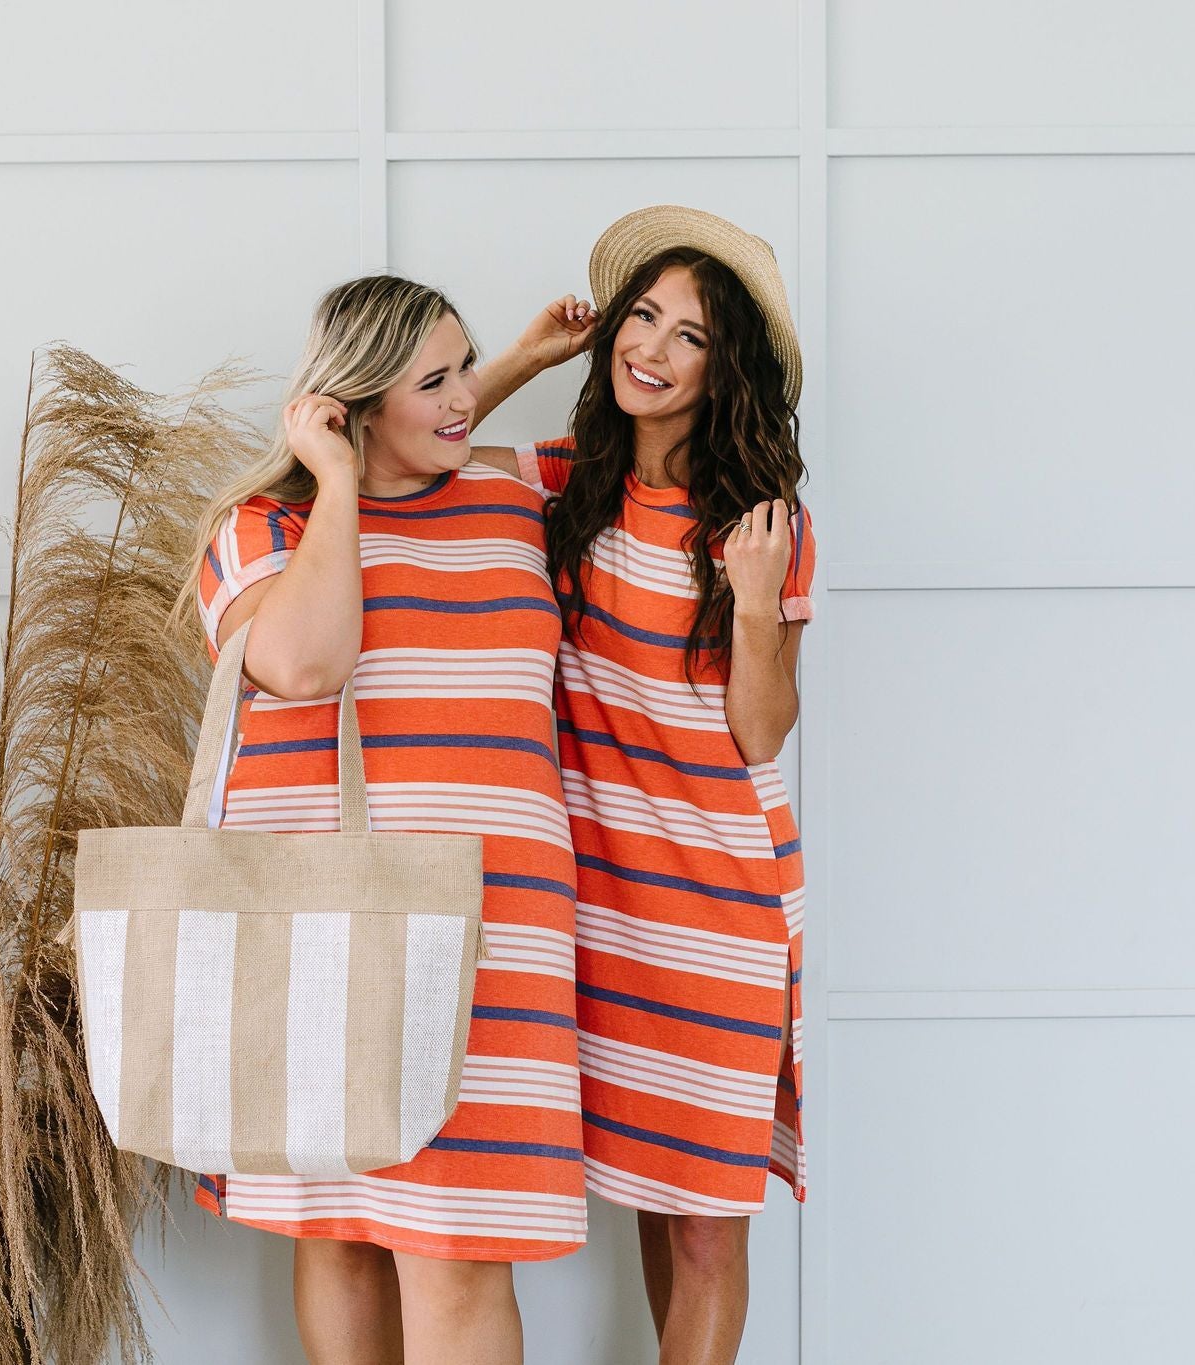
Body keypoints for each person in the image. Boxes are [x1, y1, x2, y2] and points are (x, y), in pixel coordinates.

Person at [175, 274, 586, 1365]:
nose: (463, 399)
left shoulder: (510, 495)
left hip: (492, 935)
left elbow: (652, 470)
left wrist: (527, 365)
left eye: (467, 368)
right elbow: (304, 663)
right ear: (350, 409)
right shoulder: (262, 531)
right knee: (341, 1234)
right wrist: (339, 480)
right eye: (434, 379)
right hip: (319, 928)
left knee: (456, 1254)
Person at [470, 205, 815, 1365]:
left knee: (709, 1227)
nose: (652, 349)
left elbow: (760, 733)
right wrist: (524, 356)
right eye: (643, 317)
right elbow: (411, 447)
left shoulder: (762, 526)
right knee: (648, 1191)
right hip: (598, 904)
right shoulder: (561, 489)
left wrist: (757, 602)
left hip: (717, 901)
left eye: (691, 338)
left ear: (728, 375)